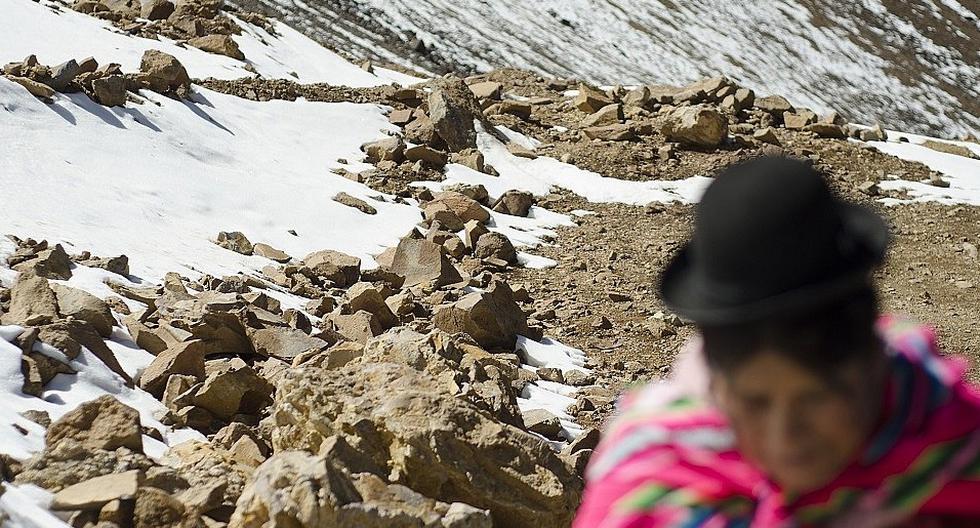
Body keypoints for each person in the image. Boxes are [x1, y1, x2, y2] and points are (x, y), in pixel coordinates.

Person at [574, 157, 980, 527]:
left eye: (816, 397)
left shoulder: (952, 439)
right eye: (755, 402)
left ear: (873, 362)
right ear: (717, 385)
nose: (784, 436)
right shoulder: (653, 487)